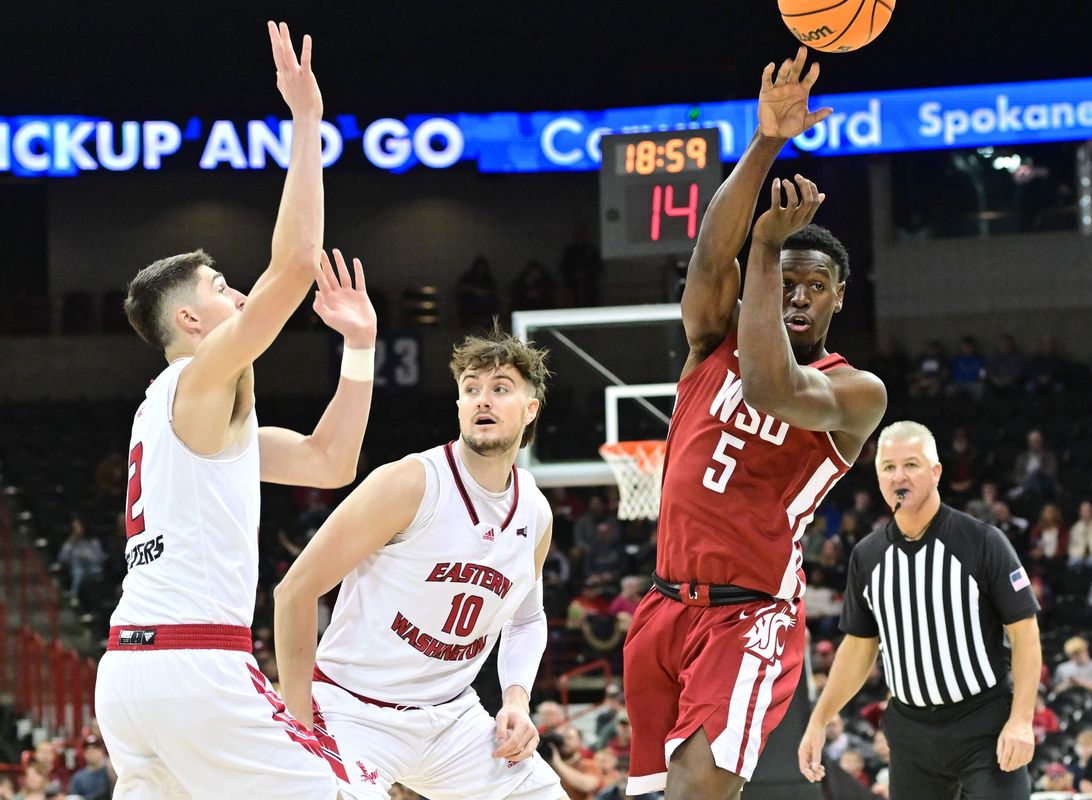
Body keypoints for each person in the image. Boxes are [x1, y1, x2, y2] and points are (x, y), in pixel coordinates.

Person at [94, 23, 374, 799]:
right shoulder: (197, 381)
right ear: (189, 322)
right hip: (196, 669)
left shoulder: (181, 415)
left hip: (132, 678)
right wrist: (309, 122)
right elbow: (290, 270)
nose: (238, 295)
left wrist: (360, 349)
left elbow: (328, 462)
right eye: (220, 289)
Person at [623, 47, 887, 800]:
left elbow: (773, 389)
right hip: (663, 605)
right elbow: (711, 257)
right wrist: (766, 142)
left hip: (748, 619)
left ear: (839, 298)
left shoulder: (855, 393)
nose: (798, 297)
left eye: (816, 286)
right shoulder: (711, 342)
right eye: (788, 282)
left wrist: (770, 247)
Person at [273, 327, 565, 800]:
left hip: (452, 719)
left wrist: (516, 697)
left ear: (531, 409)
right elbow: (294, 591)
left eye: (499, 389)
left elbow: (527, 619)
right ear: (458, 406)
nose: (481, 400)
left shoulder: (535, 512)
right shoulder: (410, 483)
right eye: (470, 389)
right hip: (353, 711)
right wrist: (297, 720)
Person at [798, 421, 1042, 799]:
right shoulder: (867, 555)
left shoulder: (982, 541)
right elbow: (859, 647)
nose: (899, 476)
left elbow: (1024, 632)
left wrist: (1022, 720)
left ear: (936, 472)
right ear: (878, 478)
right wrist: (819, 719)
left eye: (911, 464)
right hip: (911, 734)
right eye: (888, 467)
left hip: (983, 726)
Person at [68, 735, 114, 800]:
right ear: (84, 753)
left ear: (101, 751)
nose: (91, 753)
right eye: (88, 750)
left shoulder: (110, 772)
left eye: (94, 749)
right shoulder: (78, 778)